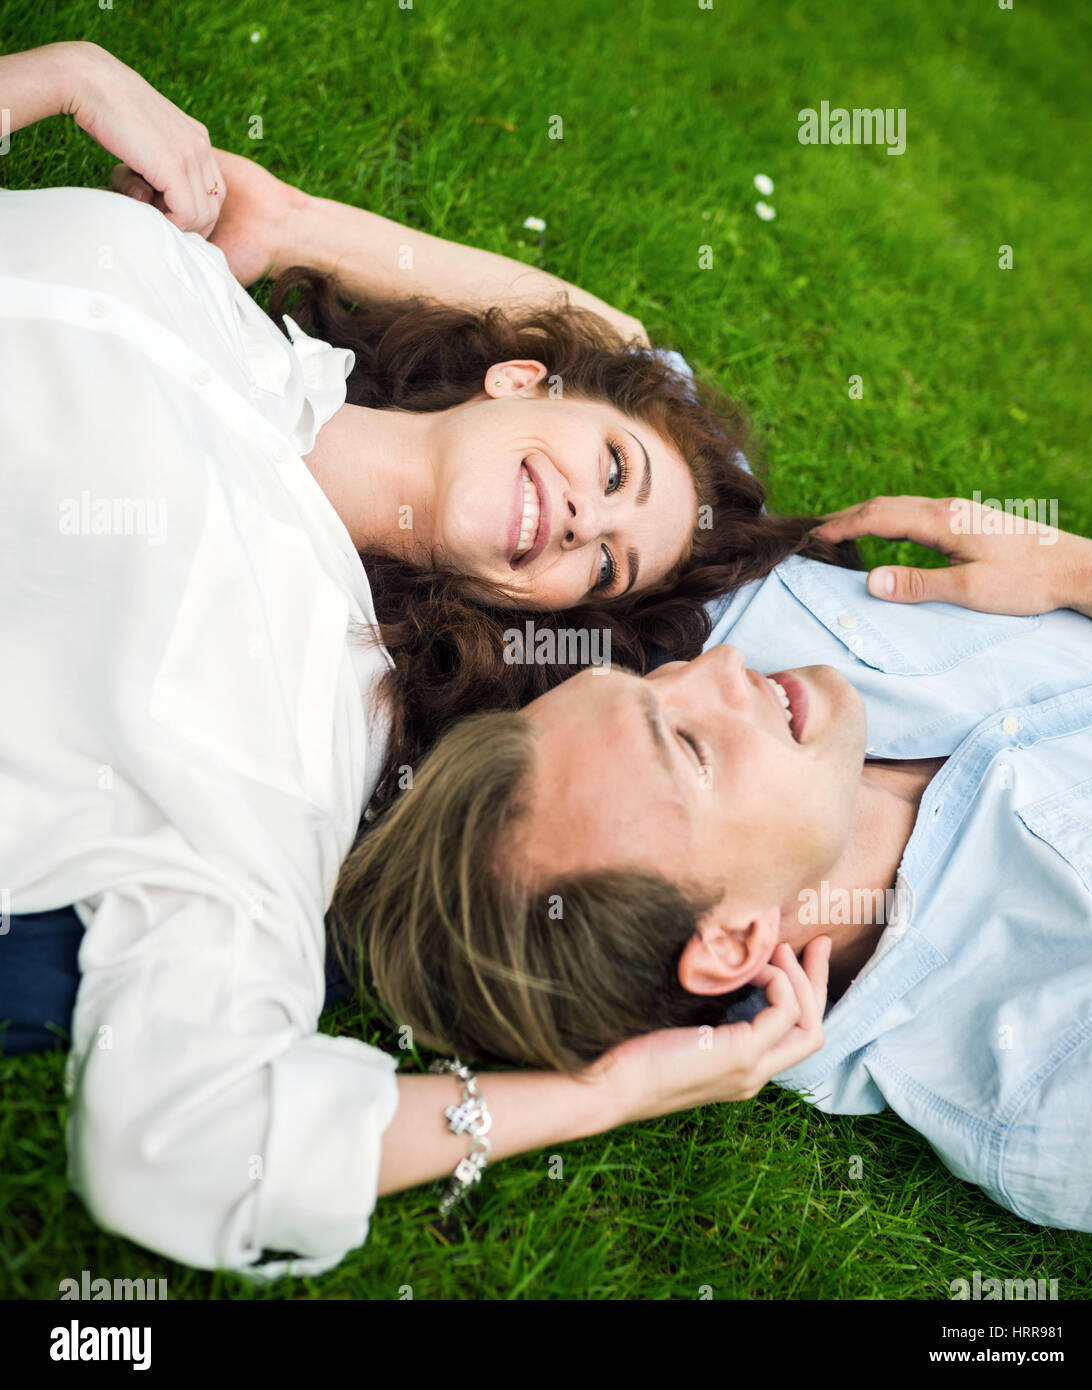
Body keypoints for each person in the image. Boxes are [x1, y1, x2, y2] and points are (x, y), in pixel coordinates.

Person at [0, 39, 833, 1277]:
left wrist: (606, 1092)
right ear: (517, 377)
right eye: (614, 468)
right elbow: (625, 338)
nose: (585, 524)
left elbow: (186, 1147)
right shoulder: (191, 278)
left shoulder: (293, 727)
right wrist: (50, 78)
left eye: (604, 569)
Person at [339, 497, 1092, 1231]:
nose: (717, 665)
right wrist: (1087, 578)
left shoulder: (735, 621)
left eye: (650, 681)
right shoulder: (1056, 1084)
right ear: (731, 943)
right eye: (688, 747)